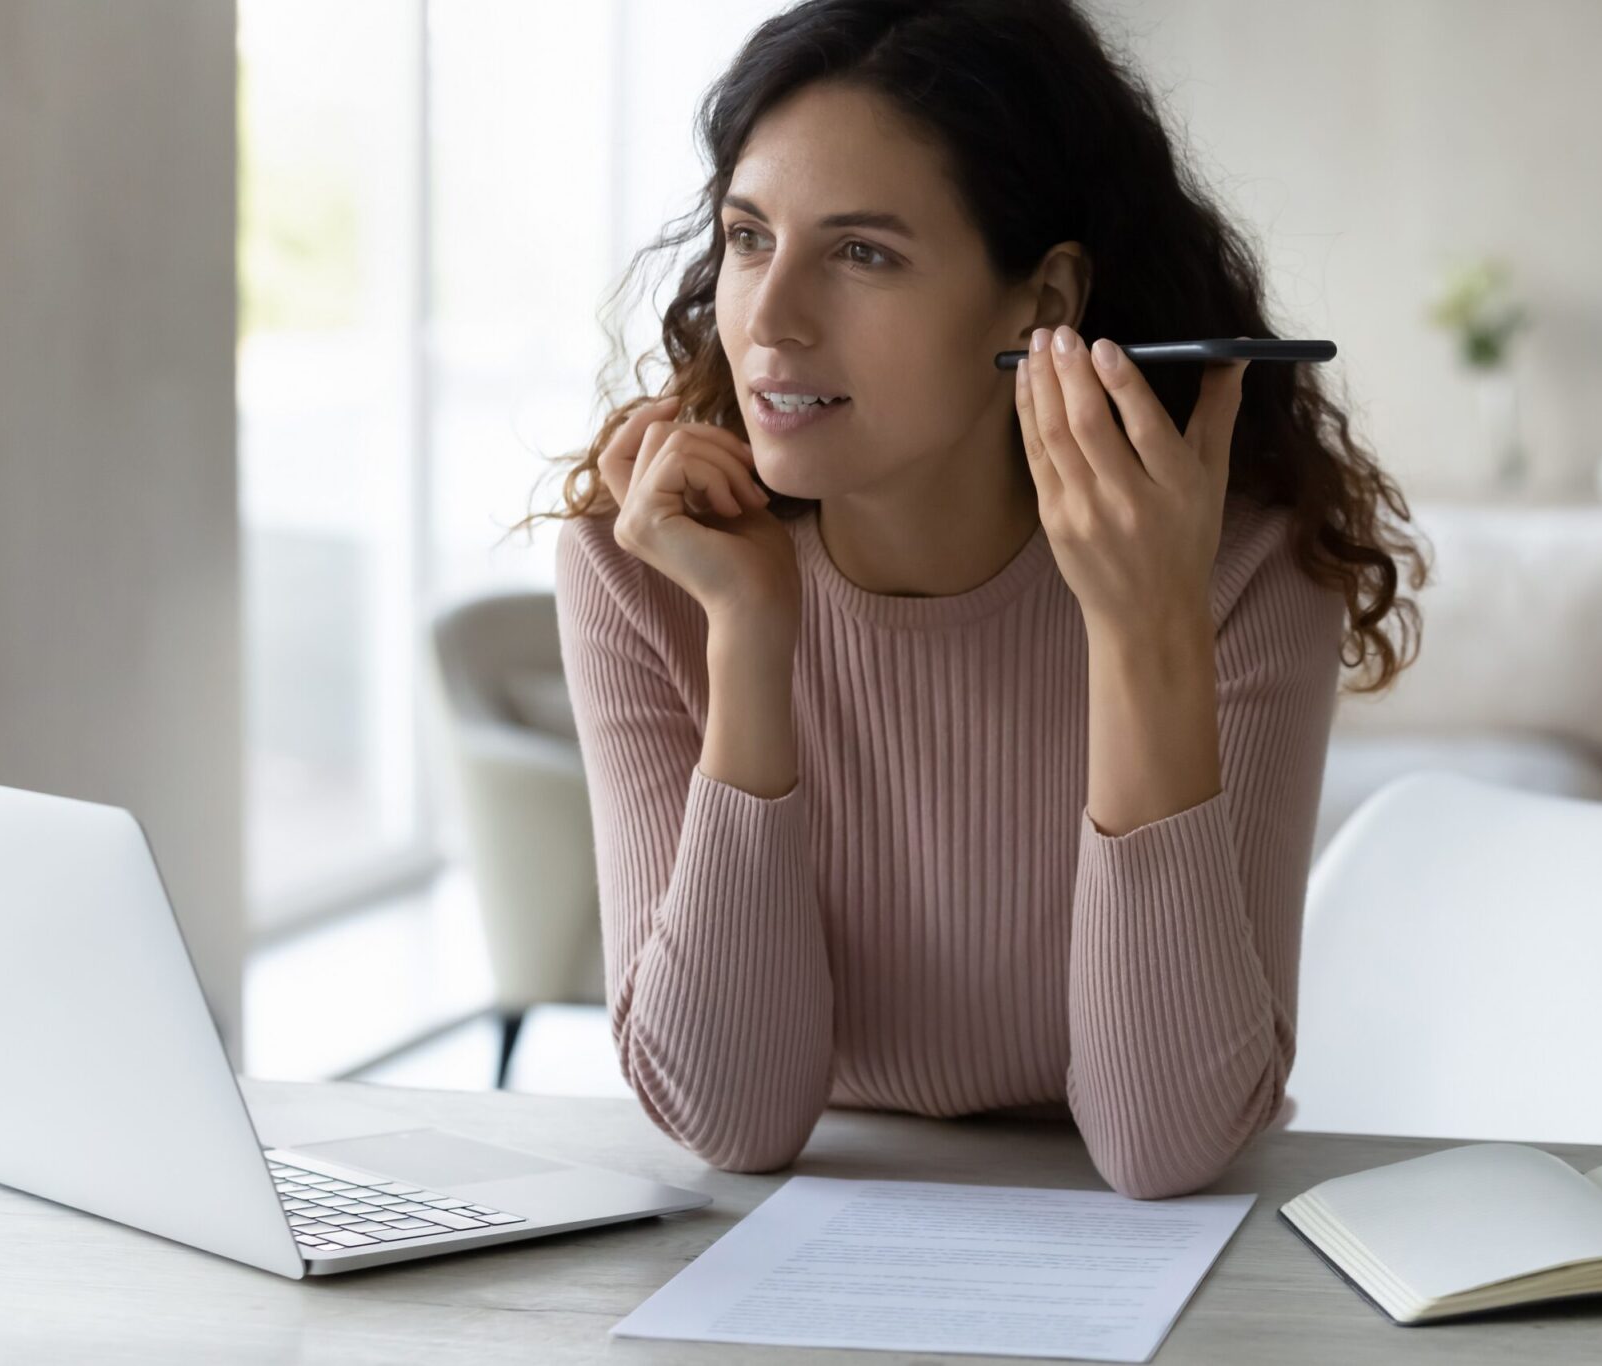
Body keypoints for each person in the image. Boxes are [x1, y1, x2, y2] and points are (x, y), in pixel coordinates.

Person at [511, 0, 1424, 1200]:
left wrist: (1146, 621)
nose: (770, 320)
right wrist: (749, 642)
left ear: (1042, 303)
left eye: (862, 254)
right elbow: (726, 1116)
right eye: (746, 237)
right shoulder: (649, 567)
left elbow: (1166, 1142)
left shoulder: (1239, 569)